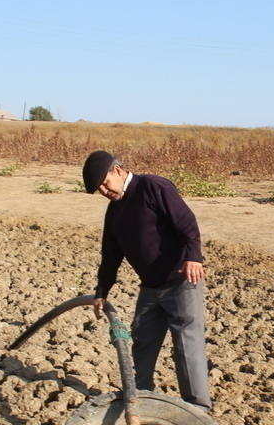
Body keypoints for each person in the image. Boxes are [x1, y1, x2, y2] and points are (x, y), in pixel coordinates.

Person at [82, 150, 212, 411]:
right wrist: (101, 291)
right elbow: (110, 255)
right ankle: (139, 399)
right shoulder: (115, 210)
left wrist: (194, 257)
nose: (105, 192)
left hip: (180, 282)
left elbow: (186, 223)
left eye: (105, 184)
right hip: (150, 288)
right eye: (100, 190)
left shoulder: (153, 186)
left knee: (187, 348)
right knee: (142, 343)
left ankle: (198, 411)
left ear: (117, 171)